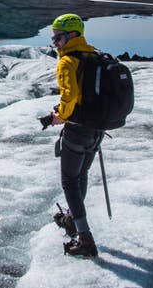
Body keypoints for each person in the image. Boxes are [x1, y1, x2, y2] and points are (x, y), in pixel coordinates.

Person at [47, 13, 104, 258]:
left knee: (69, 181)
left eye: (58, 38)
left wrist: (58, 115)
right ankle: (71, 219)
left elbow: (68, 97)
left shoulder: (68, 61)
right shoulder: (94, 56)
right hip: (97, 129)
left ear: (72, 35)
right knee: (81, 175)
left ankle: (85, 238)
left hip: (78, 128)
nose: (55, 43)